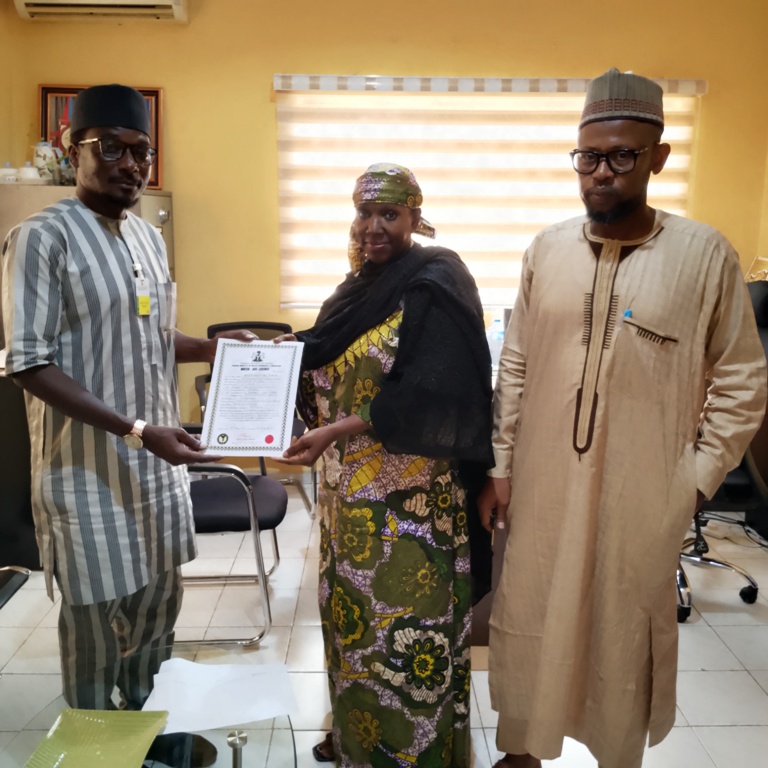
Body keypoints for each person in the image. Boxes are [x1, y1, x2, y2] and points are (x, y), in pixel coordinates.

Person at [478, 68, 768, 768]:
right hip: (542, 491)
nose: (600, 174)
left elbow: (742, 380)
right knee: (532, 616)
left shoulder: (703, 256)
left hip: (642, 497)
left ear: (658, 157)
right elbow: (515, 366)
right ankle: (521, 753)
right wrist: (501, 465)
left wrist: (693, 481)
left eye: (621, 156)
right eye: (588, 156)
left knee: (618, 632)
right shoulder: (545, 250)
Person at [0, 85, 253, 726]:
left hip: (155, 470)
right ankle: (93, 738)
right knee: (92, 625)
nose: (129, 164)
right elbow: (28, 361)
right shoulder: (39, 238)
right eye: (109, 147)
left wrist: (211, 348)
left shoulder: (147, 238)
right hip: (85, 477)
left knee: (158, 610)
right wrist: (138, 430)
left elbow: (144, 334)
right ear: (70, 149)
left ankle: (144, 722)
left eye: (141, 151)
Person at [279, 163, 494, 766]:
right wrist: (268, 357)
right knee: (352, 632)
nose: (374, 227)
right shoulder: (354, 289)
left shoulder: (438, 280)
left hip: (413, 518)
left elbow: (439, 395)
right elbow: (322, 356)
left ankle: (415, 755)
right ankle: (356, 741)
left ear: (414, 217)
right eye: (364, 213)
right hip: (346, 506)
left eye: (389, 214)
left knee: (408, 641)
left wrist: (336, 428)